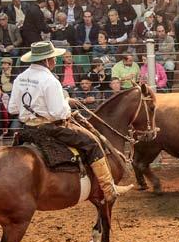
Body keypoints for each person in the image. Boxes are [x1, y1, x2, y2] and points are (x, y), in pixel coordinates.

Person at [8, 41, 133, 202]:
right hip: (50, 128)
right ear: (47, 60)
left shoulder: (20, 78)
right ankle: (109, 188)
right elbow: (58, 113)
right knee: (92, 143)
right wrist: (66, 103)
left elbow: (12, 109)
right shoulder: (50, 80)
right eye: (54, 58)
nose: (55, 61)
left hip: (28, 129)